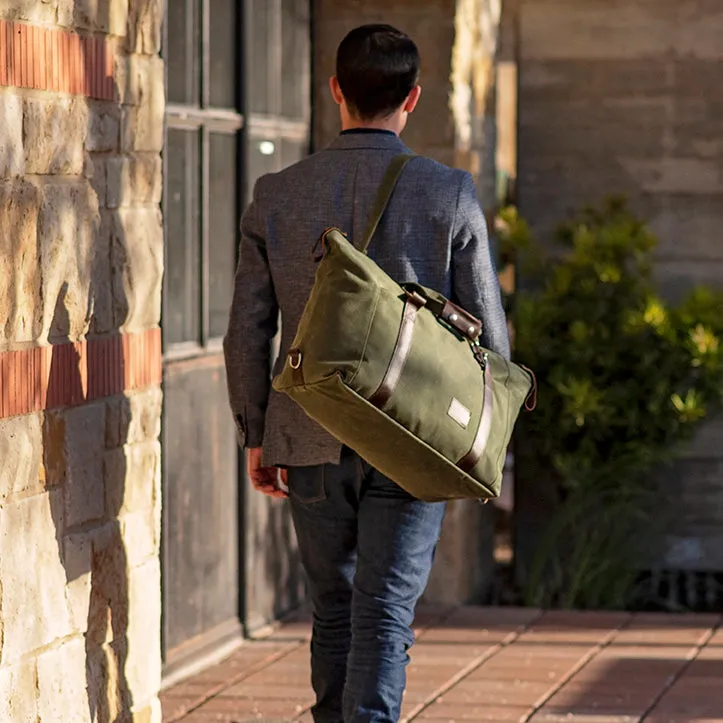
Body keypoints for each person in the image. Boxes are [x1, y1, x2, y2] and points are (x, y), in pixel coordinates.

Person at [223, 23, 510, 723]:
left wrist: (257, 432)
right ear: (411, 98)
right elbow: (492, 341)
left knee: (335, 607)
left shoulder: (277, 192)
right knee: (384, 614)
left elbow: (246, 330)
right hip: (414, 437)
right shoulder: (448, 193)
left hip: (310, 427)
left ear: (334, 92)